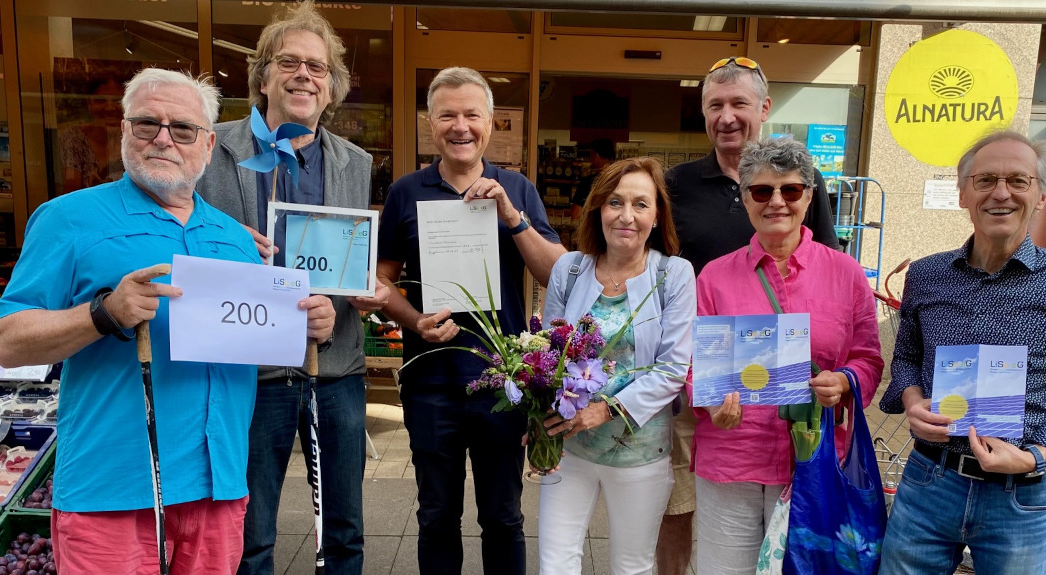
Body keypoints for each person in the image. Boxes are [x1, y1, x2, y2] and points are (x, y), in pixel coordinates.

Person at [0, 68, 336, 575]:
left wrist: (308, 328)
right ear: (125, 129)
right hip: (112, 489)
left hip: (217, 487)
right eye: (148, 123)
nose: (164, 139)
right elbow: (8, 342)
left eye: (183, 128)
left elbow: (252, 341)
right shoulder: (68, 218)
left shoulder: (234, 239)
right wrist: (102, 313)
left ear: (208, 142)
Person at [197, 3, 389, 574]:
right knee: (249, 534)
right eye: (290, 62)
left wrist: (358, 292)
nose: (305, 74)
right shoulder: (210, 148)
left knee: (345, 530)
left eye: (318, 67)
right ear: (263, 77)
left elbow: (348, 260)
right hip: (247, 375)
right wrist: (230, 255)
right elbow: (182, 247)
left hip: (334, 372)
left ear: (332, 89)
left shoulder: (353, 162)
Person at [878, 131, 1046, 575]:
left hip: (1020, 495)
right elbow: (907, 357)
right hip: (931, 480)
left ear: (1042, 194)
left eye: (1018, 181)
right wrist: (912, 400)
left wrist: (1035, 456)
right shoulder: (928, 275)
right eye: (985, 180)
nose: (1001, 193)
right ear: (964, 193)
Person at [376, 67, 566, 575]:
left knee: (503, 516)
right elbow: (381, 280)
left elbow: (556, 271)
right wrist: (414, 321)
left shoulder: (517, 187)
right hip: (430, 379)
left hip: (503, 381)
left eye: (471, 115)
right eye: (447, 115)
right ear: (429, 124)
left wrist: (512, 216)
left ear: (490, 122)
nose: (460, 126)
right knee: (437, 515)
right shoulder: (405, 191)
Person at [658, 55, 843, 575]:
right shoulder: (676, 185)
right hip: (702, 374)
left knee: (782, 515)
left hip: (783, 386)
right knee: (679, 505)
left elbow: (825, 270)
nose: (727, 116)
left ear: (764, 108)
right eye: (714, 105)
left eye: (739, 103)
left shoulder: (803, 179)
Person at [692, 137, 883, 574]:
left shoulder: (846, 273)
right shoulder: (715, 276)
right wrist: (709, 403)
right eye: (762, 191)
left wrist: (845, 381)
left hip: (814, 460)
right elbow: (695, 367)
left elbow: (869, 359)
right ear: (745, 199)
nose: (777, 201)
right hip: (733, 458)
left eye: (791, 190)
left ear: (809, 196)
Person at [538, 156, 695, 574]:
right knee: (555, 563)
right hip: (569, 448)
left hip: (639, 452)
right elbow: (547, 356)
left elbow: (672, 368)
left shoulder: (673, 275)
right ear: (598, 210)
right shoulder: (568, 269)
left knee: (631, 566)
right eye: (615, 202)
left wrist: (605, 409)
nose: (627, 216)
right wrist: (538, 421)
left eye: (641, 204)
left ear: (657, 215)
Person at [570, 137, 615, 221]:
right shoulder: (619, 179)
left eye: (591, 154)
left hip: (592, 230)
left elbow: (576, 214)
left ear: (596, 156)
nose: (590, 159)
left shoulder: (588, 182)